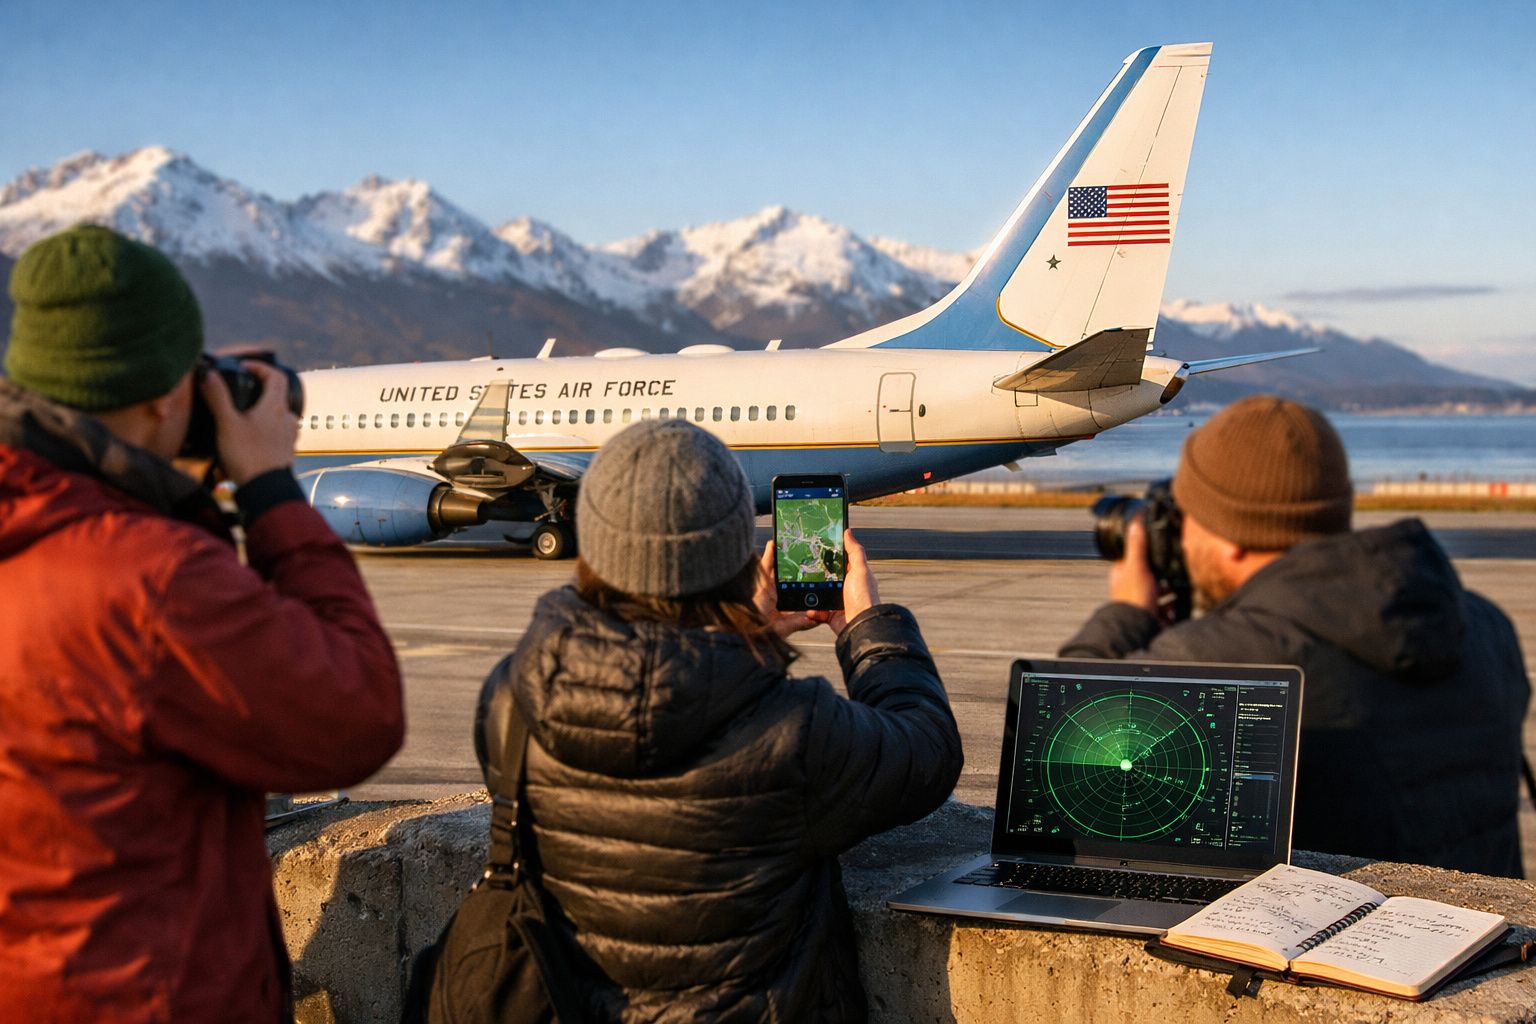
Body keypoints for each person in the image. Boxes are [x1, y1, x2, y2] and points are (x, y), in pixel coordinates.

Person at [0, 225, 406, 1022]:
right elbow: (356, 714)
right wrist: (271, 493)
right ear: (163, 393)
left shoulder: (53, 532)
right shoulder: (150, 578)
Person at [473, 420, 963, 1021]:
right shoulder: (791, 730)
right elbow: (926, 753)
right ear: (735, 551)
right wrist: (869, 627)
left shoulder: (513, 694)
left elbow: (648, 682)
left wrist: (742, 634)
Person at [1060, 394, 1530, 876]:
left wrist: (1125, 613)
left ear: (1232, 534)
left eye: (1189, 517)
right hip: (1482, 938)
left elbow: (1066, 765)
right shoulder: (1486, 626)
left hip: (1324, 942)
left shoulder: (1221, 661)